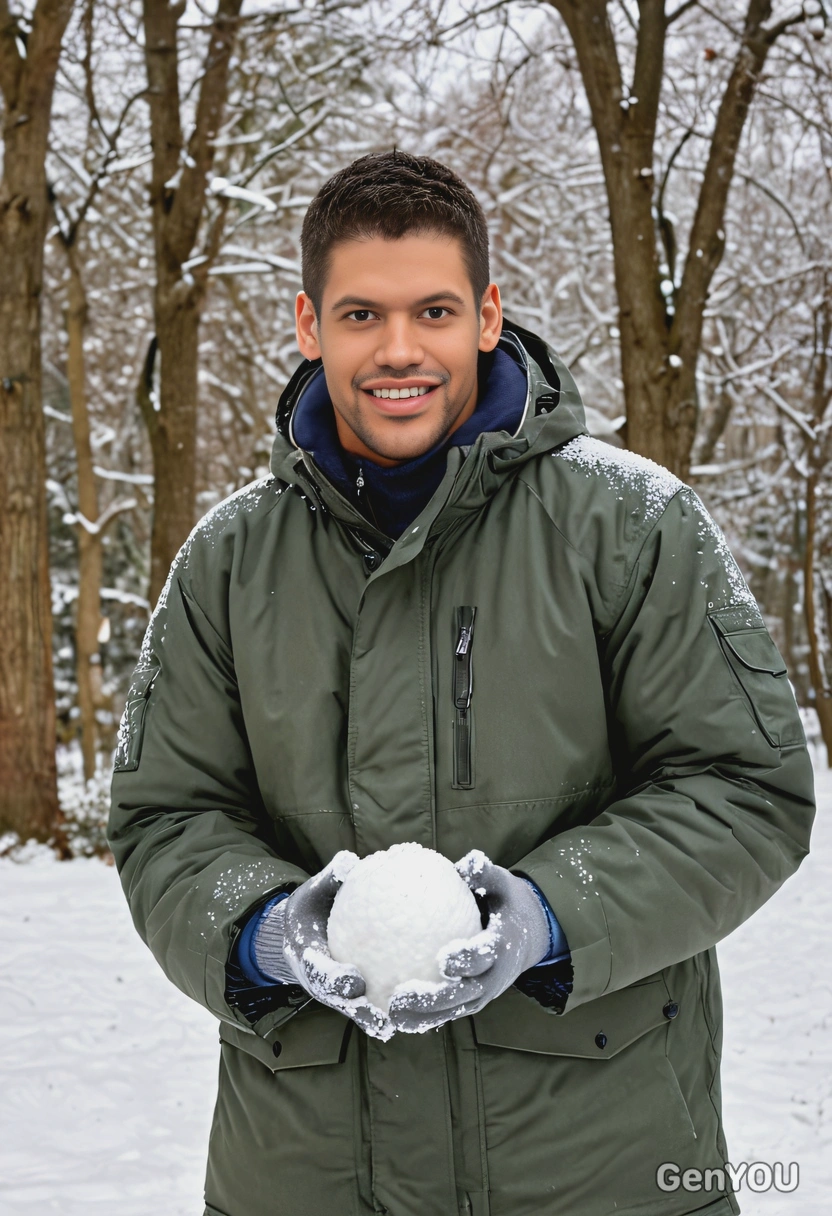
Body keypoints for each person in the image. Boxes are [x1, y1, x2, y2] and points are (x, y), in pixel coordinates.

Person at [108, 150, 816, 1216]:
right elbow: (165, 817)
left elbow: (745, 786)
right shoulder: (226, 563)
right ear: (309, 326)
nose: (399, 350)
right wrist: (264, 929)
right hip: (301, 1175)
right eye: (360, 315)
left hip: (602, 1172)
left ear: (486, 316)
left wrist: (549, 915)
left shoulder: (633, 525)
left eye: (433, 311)